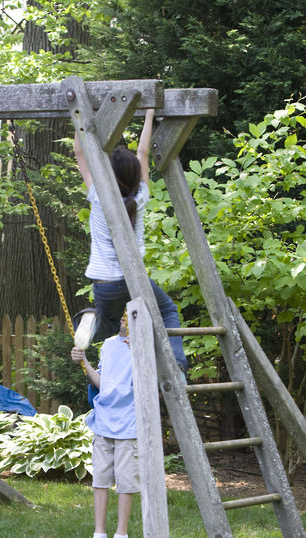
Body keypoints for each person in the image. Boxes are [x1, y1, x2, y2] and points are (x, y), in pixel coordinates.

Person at [74, 109, 188, 372]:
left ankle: (91, 319)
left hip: (103, 284)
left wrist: (80, 114)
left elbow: (80, 152)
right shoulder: (141, 196)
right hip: (133, 280)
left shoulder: (98, 195)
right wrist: (148, 115)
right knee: (168, 311)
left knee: (112, 323)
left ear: (108, 174)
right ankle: (177, 365)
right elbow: (143, 154)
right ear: (135, 175)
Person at [71, 314, 139, 538]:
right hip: (104, 421)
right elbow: (104, 384)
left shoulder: (144, 345)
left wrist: (140, 353)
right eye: (119, 315)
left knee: (125, 482)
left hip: (129, 424)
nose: (123, 319)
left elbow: (153, 381)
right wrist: (84, 362)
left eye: (128, 315)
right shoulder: (109, 345)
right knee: (100, 479)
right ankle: (99, 536)